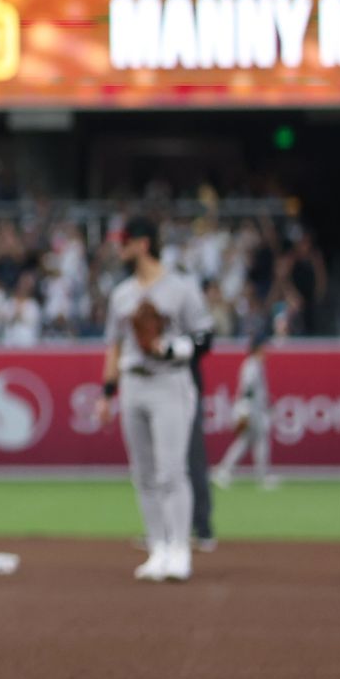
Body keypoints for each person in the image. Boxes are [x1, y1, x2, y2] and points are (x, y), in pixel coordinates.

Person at [100, 217, 214, 582]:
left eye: (125, 241)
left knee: (172, 471)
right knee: (144, 474)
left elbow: (205, 338)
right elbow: (114, 347)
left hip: (170, 383)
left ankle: (180, 549)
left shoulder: (181, 288)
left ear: (143, 243)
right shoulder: (122, 294)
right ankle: (159, 548)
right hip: (134, 384)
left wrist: (173, 348)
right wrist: (107, 392)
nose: (120, 248)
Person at [214, 329, 279, 490]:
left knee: (245, 442)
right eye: (264, 346)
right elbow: (247, 390)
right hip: (251, 410)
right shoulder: (251, 365)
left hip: (255, 408)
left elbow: (258, 391)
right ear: (258, 347)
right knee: (259, 440)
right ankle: (262, 476)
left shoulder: (256, 364)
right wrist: (245, 411)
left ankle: (224, 471)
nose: (267, 350)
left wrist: (266, 403)